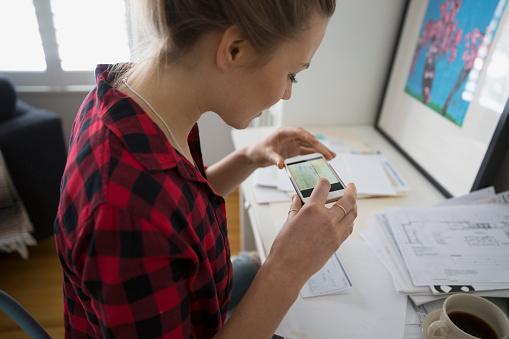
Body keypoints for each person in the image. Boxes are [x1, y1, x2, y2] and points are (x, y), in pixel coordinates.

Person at [53, 0, 358, 338]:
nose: (286, 93)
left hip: (204, 294)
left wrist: (250, 156)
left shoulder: (141, 105)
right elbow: (151, 211)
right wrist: (287, 270)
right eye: (292, 75)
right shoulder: (121, 209)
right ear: (234, 50)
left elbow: (179, 201)